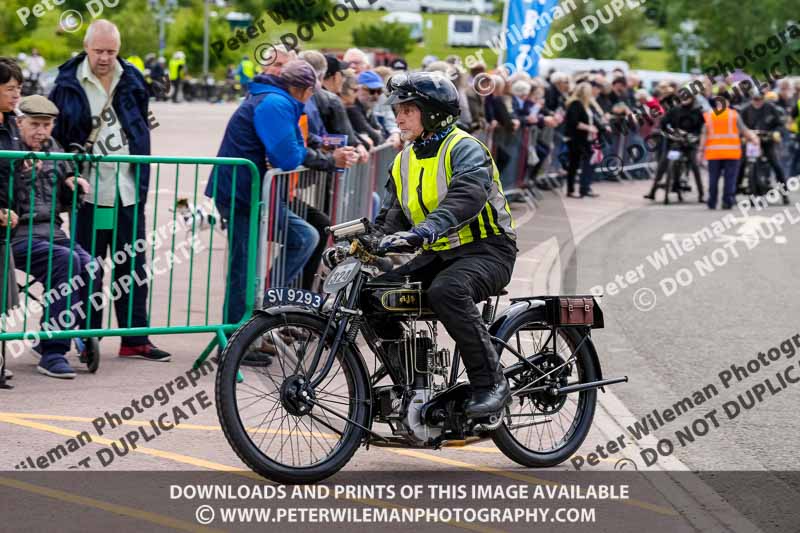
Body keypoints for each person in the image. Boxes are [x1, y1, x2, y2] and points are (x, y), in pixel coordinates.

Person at [372, 72, 517, 421]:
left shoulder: (464, 148)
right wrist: (364, 244)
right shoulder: (404, 160)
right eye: (397, 109)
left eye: (408, 109)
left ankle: (492, 384)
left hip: (488, 249)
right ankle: (412, 385)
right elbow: (390, 218)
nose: (399, 116)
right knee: (373, 293)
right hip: (440, 252)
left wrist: (424, 231)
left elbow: (467, 196)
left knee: (447, 290)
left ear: (433, 112)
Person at [49, 19, 170, 362]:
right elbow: (56, 138)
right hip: (87, 193)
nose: (105, 58)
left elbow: (141, 126)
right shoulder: (66, 84)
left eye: (111, 51)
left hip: (128, 190)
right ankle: (89, 337)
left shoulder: (131, 78)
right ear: (86, 47)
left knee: (133, 268)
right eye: (99, 50)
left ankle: (135, 338)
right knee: (89, 267)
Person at [205, 60, 356, 331]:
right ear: (304, 89)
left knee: (304, 236)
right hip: (241, 194)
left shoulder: (278, 101)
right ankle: (237, 333)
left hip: (253, 193)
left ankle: (262, 310)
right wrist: (329, 159)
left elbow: (295, 147)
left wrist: (320, 155)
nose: (312, 98)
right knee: (245, 266)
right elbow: (287, 157)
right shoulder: (276, 103)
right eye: (312, 92)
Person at [0, 96, 94, 379]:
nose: (42, 131)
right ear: (20, 122)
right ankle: (54, 351)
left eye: (47, 125)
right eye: (35, 124)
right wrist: (20, 171)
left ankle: (62, 337)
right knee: (64, 261)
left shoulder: (54, 148)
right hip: (18, 233)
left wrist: (72, 185)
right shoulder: (10, 148)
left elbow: (66, 195)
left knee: (90, 264)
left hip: (53, 230)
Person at [645, 92, 705, 202]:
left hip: (689, 144)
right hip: (674, 142)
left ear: (692, 99)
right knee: (663, 163)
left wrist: (694, 136)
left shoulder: (697, 112)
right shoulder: (674, 110)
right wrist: (662, 131)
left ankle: (701, 195)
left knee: (695, 165)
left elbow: (701, 128)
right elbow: (663, 123)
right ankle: (652, 191)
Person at [700, 97, 759, 210]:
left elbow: (704, 134)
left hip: (714, 153)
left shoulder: (709, 116)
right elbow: (744, 131)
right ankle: (727, 202)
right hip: (731, 153)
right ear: (727, 104)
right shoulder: (733, 115)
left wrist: (700, 150)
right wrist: (753, 139)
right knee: (730, 179)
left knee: (713, 178)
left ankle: (712, 202)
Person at [740, 92, 789, 204]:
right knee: (741, 164)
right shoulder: (745, 110)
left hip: (767, 140)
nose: (757, 102)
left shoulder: (770, 108)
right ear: (751, 99)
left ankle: (784, 192)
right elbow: (740, 125)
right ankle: (736, 190)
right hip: (751, 142)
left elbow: (779, 124)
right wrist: (743, 135)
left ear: (763, 99)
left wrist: (776, 132)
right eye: (755, 99)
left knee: (776, 165)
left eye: (759, 99)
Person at [564, 82, 600, 198]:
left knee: (587, 162)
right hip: (576, 139)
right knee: (574, 164)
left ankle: (584, 187)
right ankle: (571, 189)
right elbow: (574, 122)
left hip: (585, 139)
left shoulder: (586, 105)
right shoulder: (576, 104)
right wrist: (589, 127)